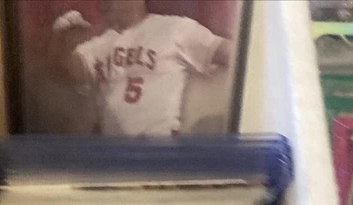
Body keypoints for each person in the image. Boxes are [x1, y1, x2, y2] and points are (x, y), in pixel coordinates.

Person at [51, 0, 231, 135]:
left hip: (158, 145)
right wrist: (63, 41)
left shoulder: (174, 28)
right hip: (113, 151)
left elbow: (232, 53)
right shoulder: (98, 45)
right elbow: (71, 71)